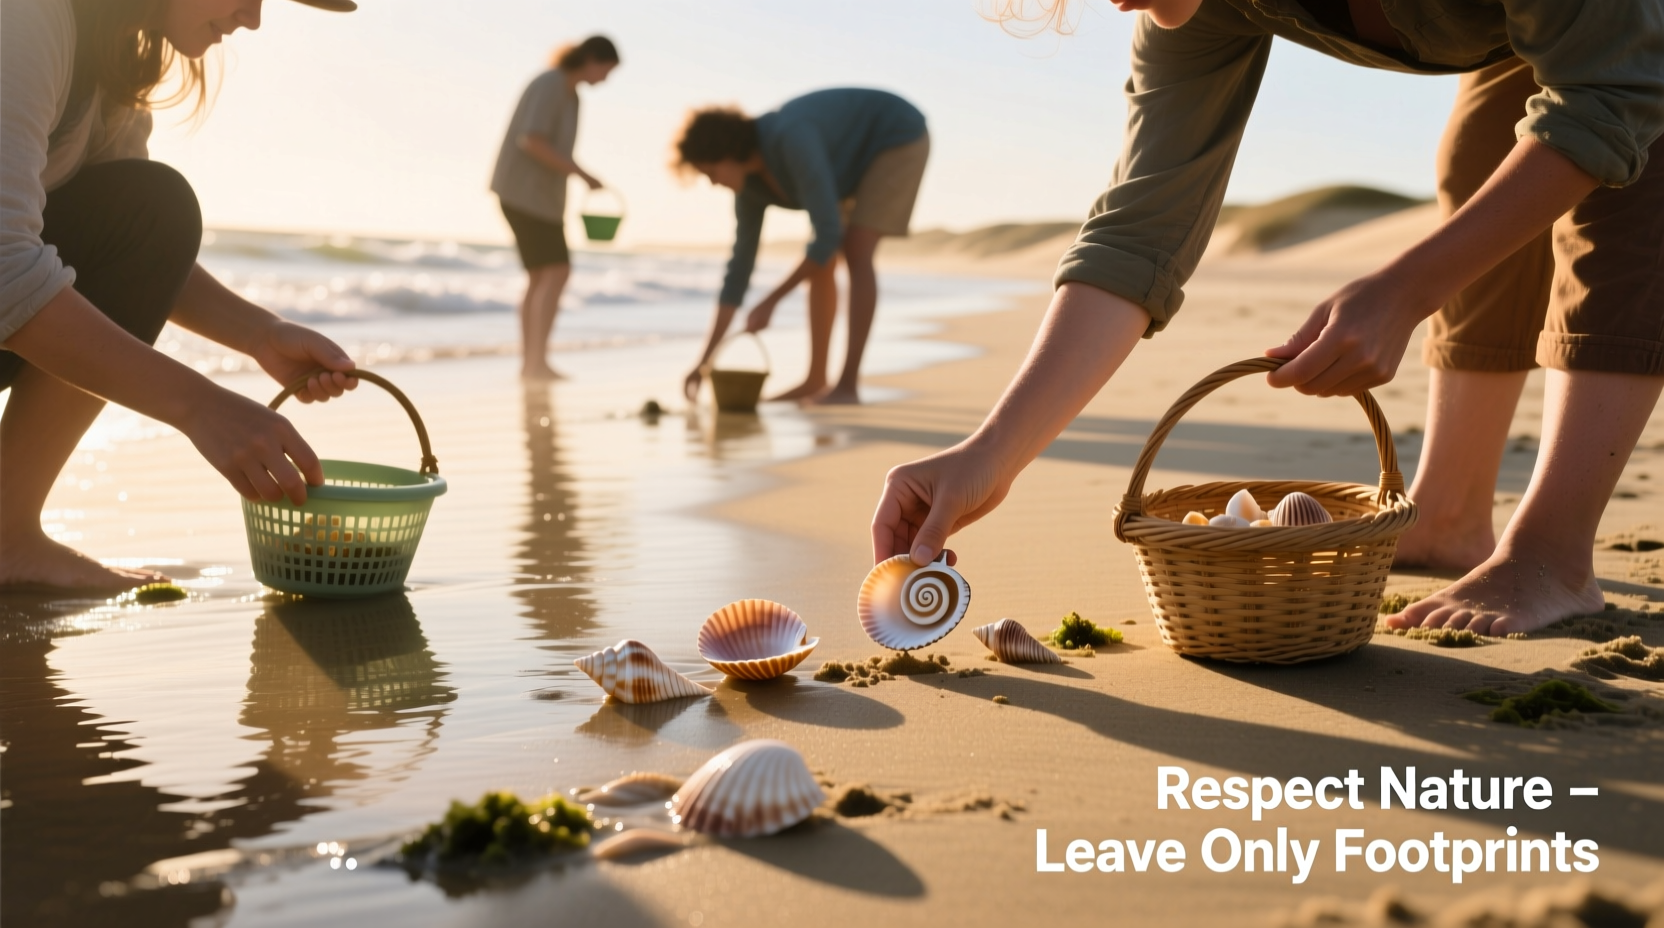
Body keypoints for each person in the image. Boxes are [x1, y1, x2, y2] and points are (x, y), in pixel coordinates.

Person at [870, 0, 1663, 636]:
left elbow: (1615, 89)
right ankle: (1451, 513)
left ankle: (1553, 554)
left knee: (1634, 159)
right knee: (1481, 158)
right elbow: (1138, 233)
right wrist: (992, 453)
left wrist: (1406, 290)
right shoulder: (1190, 10)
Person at [1, 0, 364, 591]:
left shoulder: (114, 49)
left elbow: (134, 247)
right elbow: (5, 268)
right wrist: (202, 408)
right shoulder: (24, 17)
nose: (254, 18)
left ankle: (6, 534)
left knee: (154, 208)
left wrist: (258, 333)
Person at [676, 89, 929, 405]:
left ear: (728, 152)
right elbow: (738, 272)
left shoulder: (790, 139)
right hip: (847, 164)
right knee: (821, 261)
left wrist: (770, 301)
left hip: (895, 132)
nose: (712, 183)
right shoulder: (748, 190)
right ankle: (815, 379)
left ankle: (847, 387)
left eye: (711, 173)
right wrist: (704, 362)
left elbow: (827, 234)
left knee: (856, 248)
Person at [490, 35, 619, 381]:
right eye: (606, 70)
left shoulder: (571, 95)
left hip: (540, 199)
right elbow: (531, 140)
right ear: (591, 58)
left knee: (540, 277)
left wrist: (579, 175)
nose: (605, 79)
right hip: (524, 194)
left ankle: (533, 363)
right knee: (556, 271)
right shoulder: (551, 83)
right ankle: (534, 362)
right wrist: (582, 173)